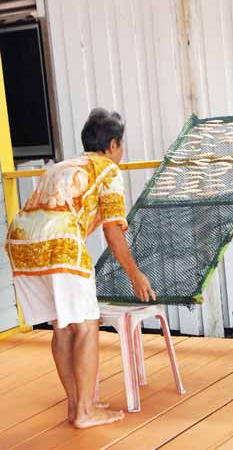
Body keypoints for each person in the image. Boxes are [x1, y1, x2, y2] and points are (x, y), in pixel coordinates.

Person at [6, 108, 156, 428]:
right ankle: (86, 412)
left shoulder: (63, 166)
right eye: (122, 144)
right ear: (113, 145)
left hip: (20, 242)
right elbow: (113, 232)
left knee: (62, 325)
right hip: (59, 244)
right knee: (87, 325)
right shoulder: (108, 170)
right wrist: (135, 274)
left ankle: (77, 404)